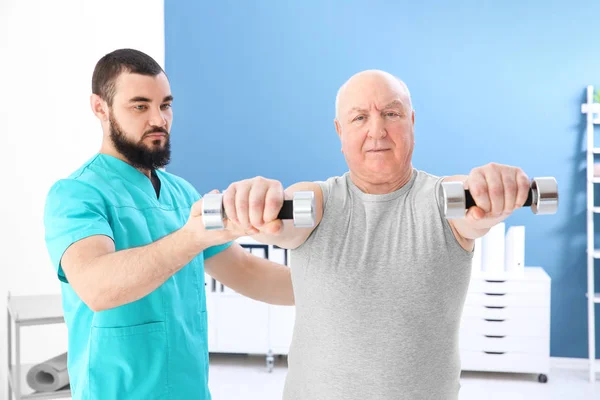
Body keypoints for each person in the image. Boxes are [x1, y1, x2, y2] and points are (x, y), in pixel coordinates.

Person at [223, 69, 533, 399]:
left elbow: (474, 209)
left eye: (391, 113)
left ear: (411, 122)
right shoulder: (316, 202)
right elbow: (282, 215)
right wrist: (257, 200)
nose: (377, 130)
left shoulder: (447, 200)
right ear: (340, 132)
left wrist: (491, 188)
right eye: (359, 118)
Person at [42, 48, 294, 400]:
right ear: (100, 108)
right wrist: (191, 238)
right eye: (140, 106)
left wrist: (333, 287)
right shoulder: (75, 195)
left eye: (165, 105)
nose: (159, 119)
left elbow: (245, 271)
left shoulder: (181, 193)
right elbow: (96, 287)